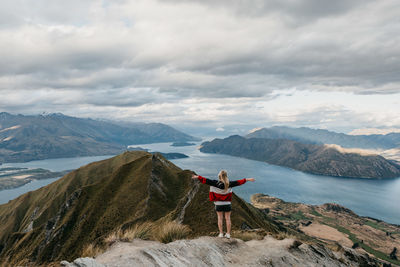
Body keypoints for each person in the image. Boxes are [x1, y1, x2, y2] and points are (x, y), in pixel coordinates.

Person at [192, 170, 255, 239]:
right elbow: (239, 182)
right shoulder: (230, 184)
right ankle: (228, 234)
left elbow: (205, 180)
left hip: (218, 204)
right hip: (227, 204)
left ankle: (221, 233)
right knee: (228, 219)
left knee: (220, 219)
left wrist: (197, 177)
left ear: (219, 176)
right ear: (226, 176)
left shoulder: (215, 183)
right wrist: (247, 179)